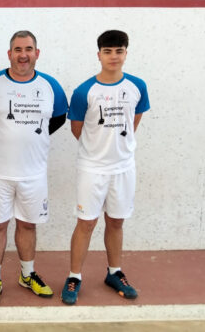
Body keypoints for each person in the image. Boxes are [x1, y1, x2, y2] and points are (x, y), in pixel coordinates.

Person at [0, 31, 69, 305]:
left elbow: (59, 117)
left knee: (28, 224)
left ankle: (28, 274)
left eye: (28, 49)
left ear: (37, 53)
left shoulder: (51, 86)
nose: (22, 54)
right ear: (9, 54)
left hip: (33, 172)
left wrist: (36, 137)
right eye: (17, 49)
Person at [61, 30, 150, 305]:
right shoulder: (84, 91)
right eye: (108, 51)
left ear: (126, 53)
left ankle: (114, 272)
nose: (114, 56)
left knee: (116, 221)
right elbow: (78, 130)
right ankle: (74, 276)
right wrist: (99, 149)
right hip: (92, 169)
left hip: (123, 168)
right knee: (86, 223)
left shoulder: (137, 86)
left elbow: (133, 122)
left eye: (119, 51)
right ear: (99, 54)